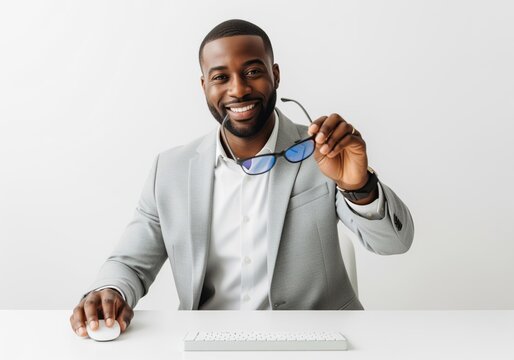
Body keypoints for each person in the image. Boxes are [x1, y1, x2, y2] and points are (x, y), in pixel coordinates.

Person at [70, 19, 414, 337]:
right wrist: (109, 292)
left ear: (275, 75)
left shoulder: (322, 152)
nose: (238, 89)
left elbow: (394, 244)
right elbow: (130, 263)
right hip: (208, 342)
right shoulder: (171, 170)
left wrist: (358, 186)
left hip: (314, 341)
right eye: (221, 77)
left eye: (252, 71)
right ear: (204, 86)